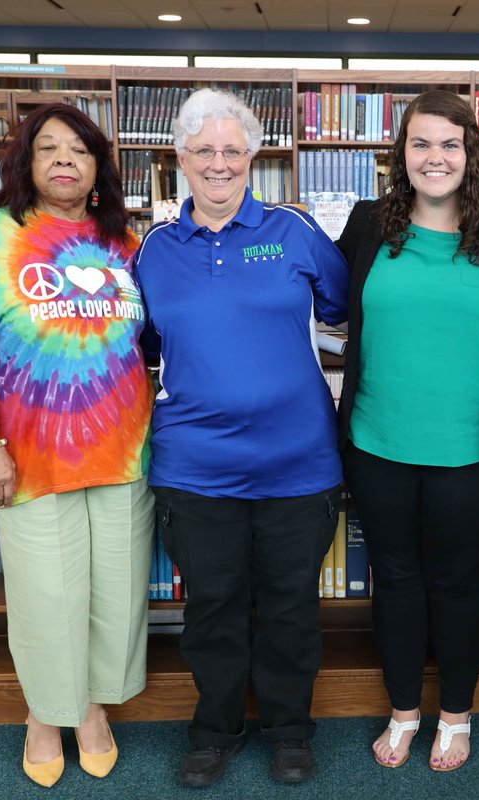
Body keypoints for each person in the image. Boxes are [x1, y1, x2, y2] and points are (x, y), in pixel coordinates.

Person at [0, 103, 153, 787]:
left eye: (79, 150)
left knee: (115, 592)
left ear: (98, 168)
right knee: (46, 597)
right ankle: (46, 715)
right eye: (48, 148)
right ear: (26, 161)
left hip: (123, 451)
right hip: (27, 455)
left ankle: (90, 711)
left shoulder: (125, 244)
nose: (64, 161)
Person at [133, 88, 348, 789]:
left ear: (254, 156)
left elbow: (344, 310)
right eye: (205, 151)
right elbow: (141, 346)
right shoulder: (154, 251)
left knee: (290, 606)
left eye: (232, 150)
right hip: (196, 467)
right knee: (214, 607)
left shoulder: (294, 231)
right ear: (181, 159)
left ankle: (289, 731)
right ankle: (214, 731)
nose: (219, 163)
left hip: (298, 463)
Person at [335, 88, 479, 772]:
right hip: (375, 443)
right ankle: (403, 711)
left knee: (457, 583)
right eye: (421, 143)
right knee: (393, 580)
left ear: (470, 153)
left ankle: (455, 714)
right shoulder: (368, 226)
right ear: (402, 154)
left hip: (471, 452)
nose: (435, 157)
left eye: (450, 144)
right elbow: (328, 307)